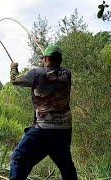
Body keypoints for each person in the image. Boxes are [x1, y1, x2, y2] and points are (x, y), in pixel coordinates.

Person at [9, 44, 77, 179]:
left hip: (44, 128)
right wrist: (47, 58)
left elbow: (15, 80)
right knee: (66, 165)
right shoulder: (67, 74)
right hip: (64, 129)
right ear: (60, 59)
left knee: (19, 158)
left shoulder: (36, 74)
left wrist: (13, 68)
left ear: (46, 59)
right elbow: (53, 71)